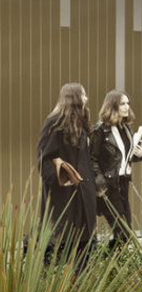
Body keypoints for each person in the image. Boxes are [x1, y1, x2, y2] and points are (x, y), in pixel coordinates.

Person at [38, 82, 98, 265]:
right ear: (74, 98)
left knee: (85, 247)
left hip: (84, 195)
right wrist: (62, 177)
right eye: (83, 94)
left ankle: (82, 281)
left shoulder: (82, 124)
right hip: (64, 198)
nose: (87, 98)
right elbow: (44, 160)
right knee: (63, 247)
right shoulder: (54, 123)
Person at [91, 89, 142, 251]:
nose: (127, 107)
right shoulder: (100, 130)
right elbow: (92, 159)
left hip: (123, 182)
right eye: (122, 103)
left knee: (124, 231)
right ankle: (108, 258)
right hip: (108, 185)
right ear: (112, 106)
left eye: (128, 103)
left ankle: (109, 259)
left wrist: (139, 154)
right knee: (123, 231)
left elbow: (123, 157)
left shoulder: (125, 128)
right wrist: (100, 185)